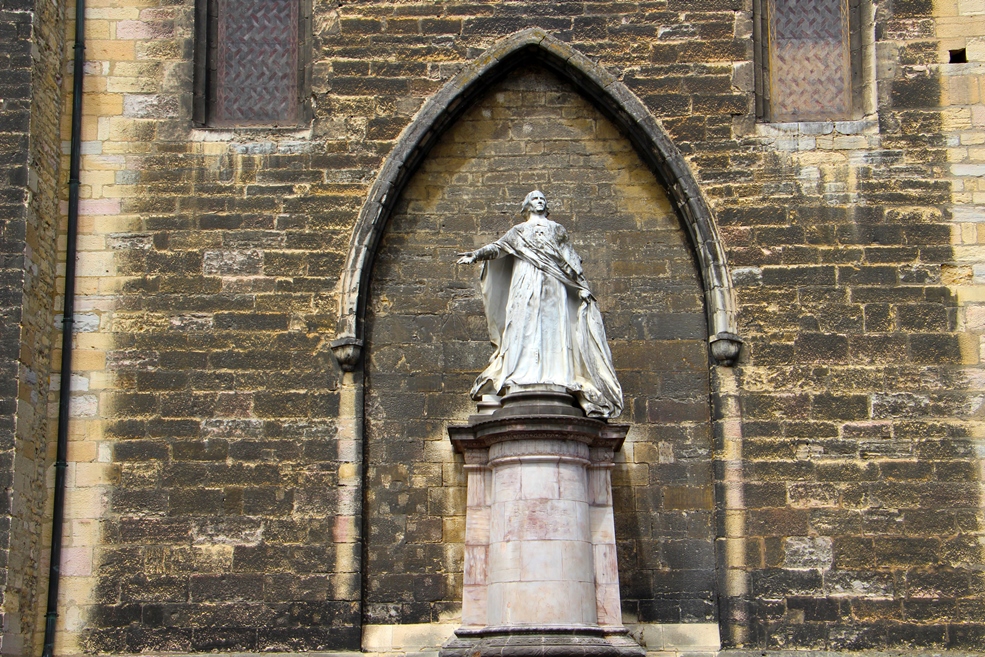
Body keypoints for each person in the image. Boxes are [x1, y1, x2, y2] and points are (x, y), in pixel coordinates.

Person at [457, 191, 623, 419]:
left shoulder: (557, 229)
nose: (539, 201)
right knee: (523, 325)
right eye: (534, 199)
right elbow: (498, 248)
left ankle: (558, 376)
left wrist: (581, 285)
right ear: (527, 206)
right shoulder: (518, 231)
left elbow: (569, 257)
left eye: (542, 199)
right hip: (525, 281)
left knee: (553, 326)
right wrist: (476, 255)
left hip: (554, 282)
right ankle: (521, 375)